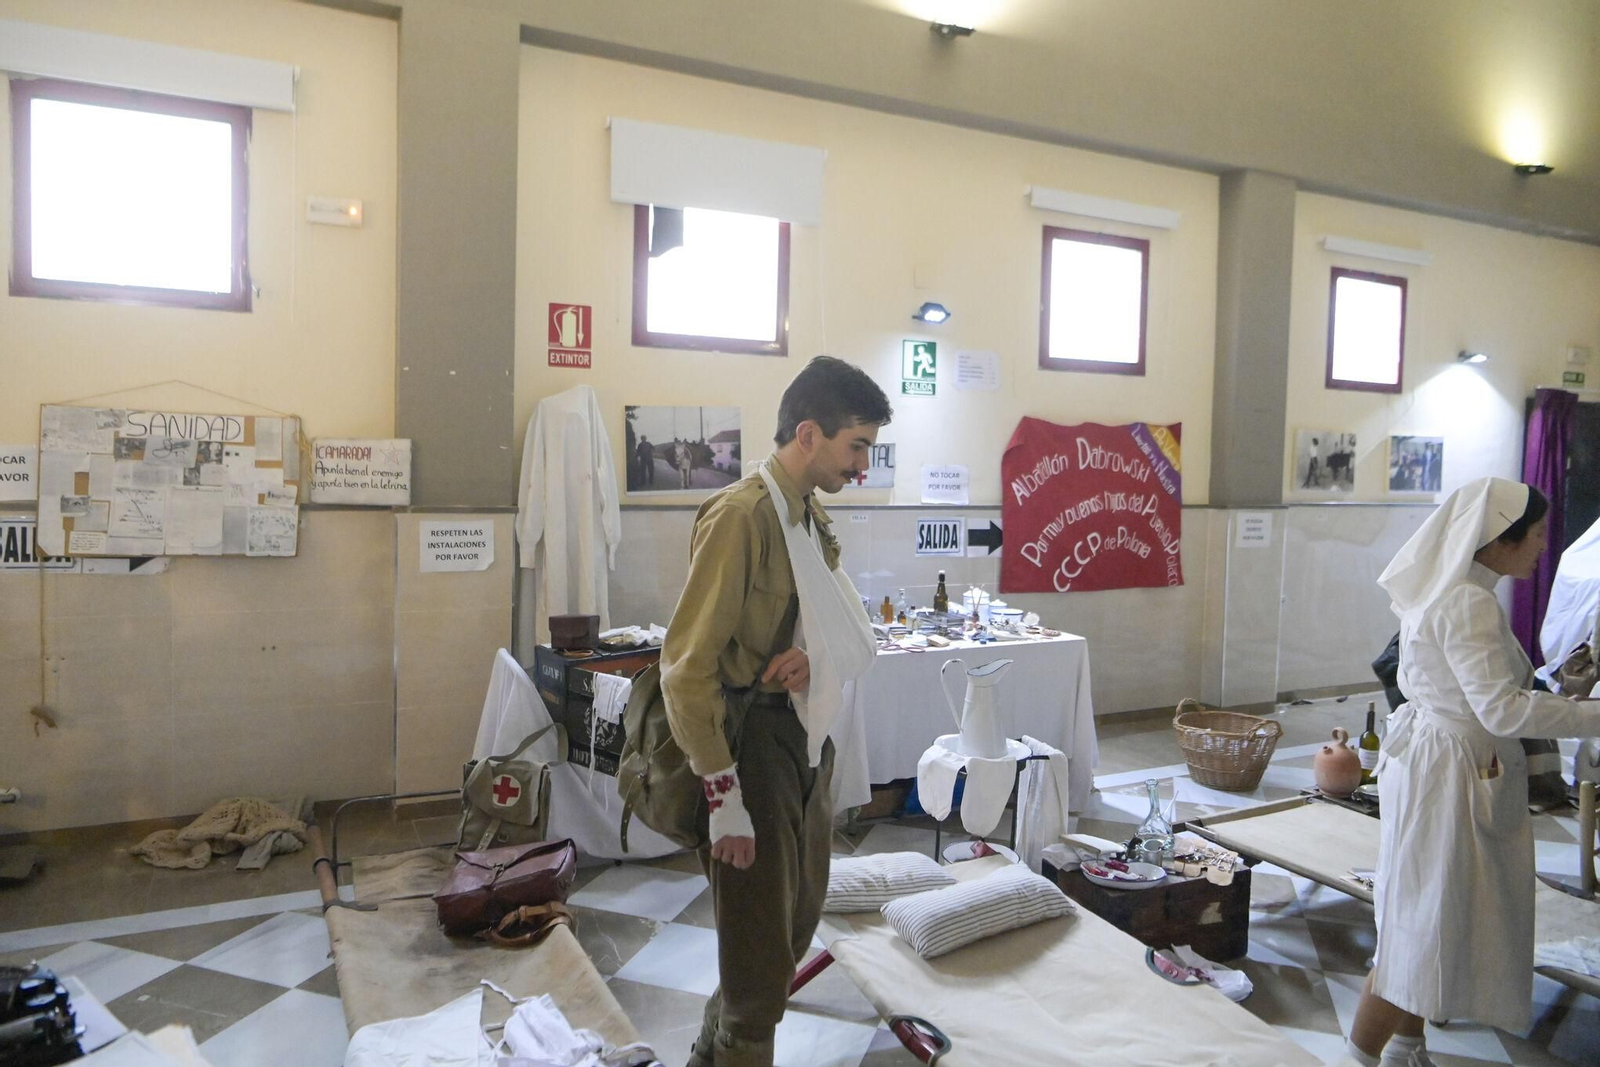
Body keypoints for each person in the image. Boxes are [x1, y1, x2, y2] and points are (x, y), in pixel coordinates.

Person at [660, 356, 891, 1067]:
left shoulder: (808, 517)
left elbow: (831, 622)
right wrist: (722, 792)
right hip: (749, 744)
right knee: (760, 951)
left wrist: (812, 654)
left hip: (798, 736)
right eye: (857, 446)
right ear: (810, 433)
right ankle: (735, 1048)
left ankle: (720, 1039)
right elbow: (686, 667)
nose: (864, 465)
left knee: (793, 921)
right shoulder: (743, 516)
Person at [1342, 478, 1600, 1067]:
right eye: (1536, 534)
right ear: (1500, 539)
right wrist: (1591, 714)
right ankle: (1357, 1057)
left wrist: (1561, 686)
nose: (1543, 546)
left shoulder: (1459, 589)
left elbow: (1486, 684)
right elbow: (1502, 708)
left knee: (1438, 918)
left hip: (1443, 762)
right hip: (1449, 774)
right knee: (1416, 931)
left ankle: (1406, 1047)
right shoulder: (1468, 601)